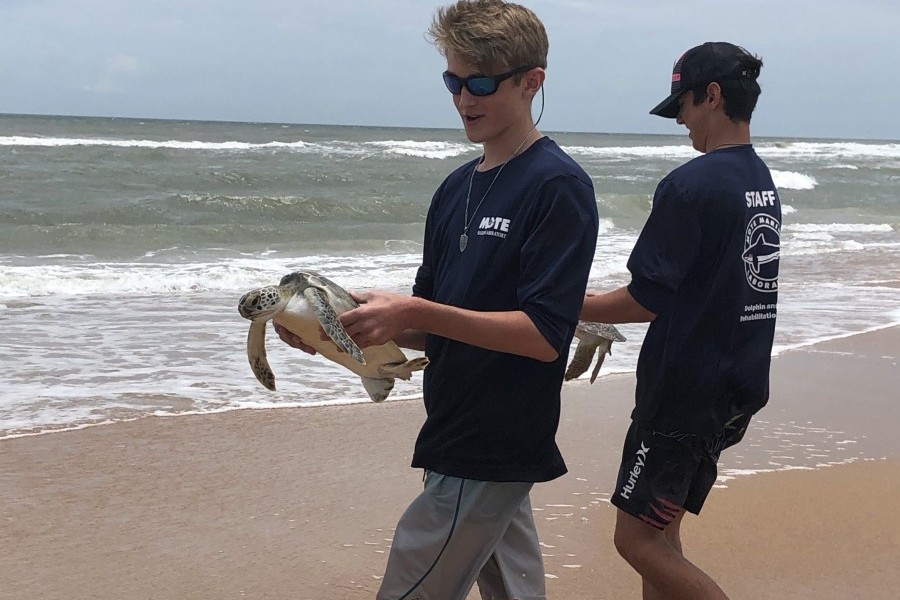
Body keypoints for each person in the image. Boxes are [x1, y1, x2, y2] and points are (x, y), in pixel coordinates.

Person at [275, 1, 598, 598]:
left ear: (533, 82)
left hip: (495, 435)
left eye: (480, 82)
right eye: (453, 80)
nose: (463, 98)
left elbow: (544, 336)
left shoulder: (558, 186)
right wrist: (337, 330)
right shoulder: (455, 188)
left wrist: (415, 311)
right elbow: (430, 326)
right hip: (454, 422)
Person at [580, 42, 781, 600]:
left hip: (683, 395)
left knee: (635, 540)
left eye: (684, 107)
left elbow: (645, 301)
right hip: (735, 386)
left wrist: (567, 305)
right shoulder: (760, 183)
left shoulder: (692, 185)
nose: (682, 122)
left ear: (711, 96)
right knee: (662, 530)